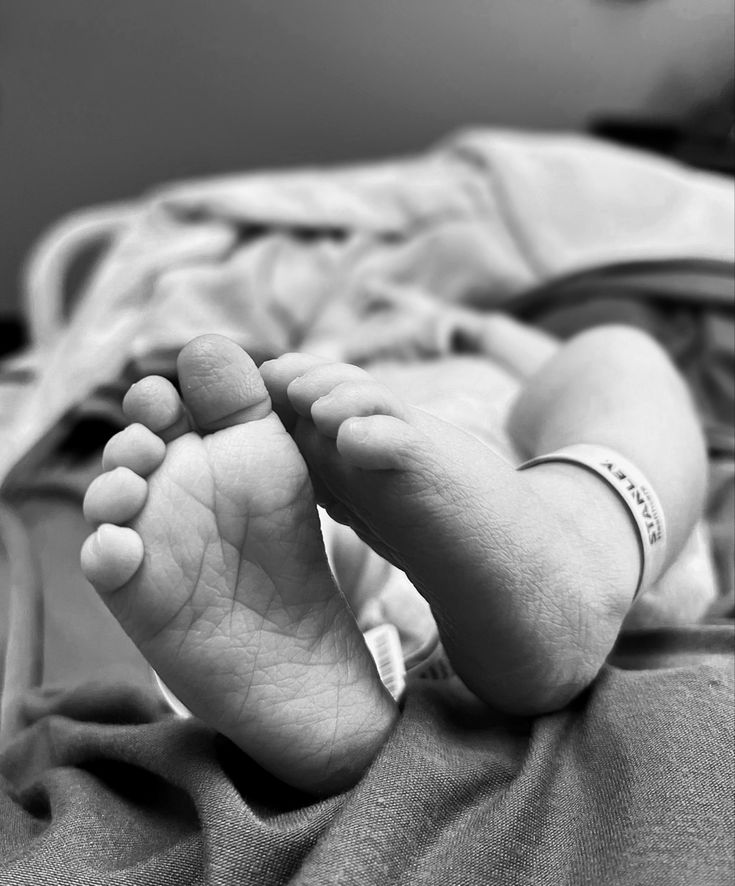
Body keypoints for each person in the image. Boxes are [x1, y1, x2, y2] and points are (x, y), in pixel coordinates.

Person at [79, 323, 707, 797]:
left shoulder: (390, 350)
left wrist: (469, 328)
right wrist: (468, 330)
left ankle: (573, 549)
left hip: (456, 504)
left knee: (311, 499)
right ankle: (582, 547)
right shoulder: (337, 384)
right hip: (429, 502)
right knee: (618, 356)